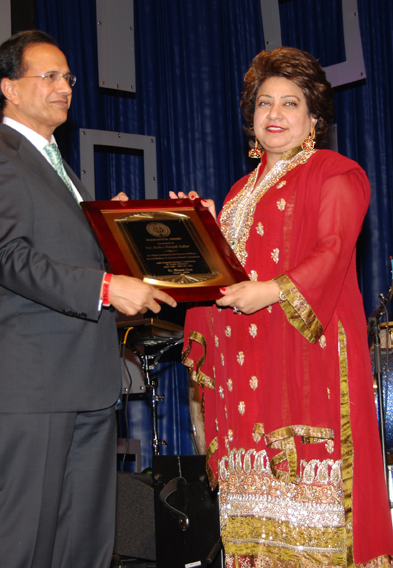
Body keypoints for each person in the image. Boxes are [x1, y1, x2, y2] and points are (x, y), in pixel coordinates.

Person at [0, 30, 176, 568]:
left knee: (85, 543)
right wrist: (106, 287)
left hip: (88, 382)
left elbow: (65, 251)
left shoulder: (58, 169)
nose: (65, 87)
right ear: (10, 88)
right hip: (34, 385)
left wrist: (115, 231)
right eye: (49, 76)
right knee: (21, 544)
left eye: (68, 78)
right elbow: (10, 258)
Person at [176, 47, 393, 567]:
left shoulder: (336, 173)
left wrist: (269, 291)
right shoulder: (237, 193)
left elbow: (332, 252)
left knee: (310, 526)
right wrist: (202, 231)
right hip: (244, 379)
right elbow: (227, 278)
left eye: (290, 103)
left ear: (314, 117)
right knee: (251, 528)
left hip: (304, 365)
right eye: (264, 103)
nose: (274, 114)